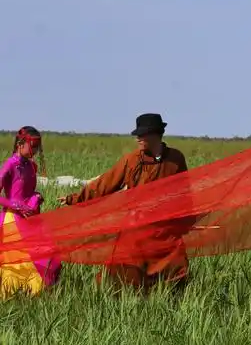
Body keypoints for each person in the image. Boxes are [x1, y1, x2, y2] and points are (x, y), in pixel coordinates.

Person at [58, 113, 191, 292]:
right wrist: (75, 198)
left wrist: (185, 221)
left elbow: (184, 193)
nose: (138, 138)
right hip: (136, 227)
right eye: (137, 134)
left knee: (174, 272)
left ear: (156, 134)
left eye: (142, 134)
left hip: (164, 230)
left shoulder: (176, 159)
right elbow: (105, 183)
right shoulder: (132, 160)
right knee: (124, 272)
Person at [0, 127, 62, 298]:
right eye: (32, 146)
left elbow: (27, 191)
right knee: (17, 263)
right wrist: (15, 205)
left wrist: (36, 196)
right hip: (13, 221)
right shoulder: (10, 165)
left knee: (47, 255)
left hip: (30, 219)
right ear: (20, 144)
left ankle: (34, 295)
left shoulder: (31, 165)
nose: (35, 150)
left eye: (37, 147)